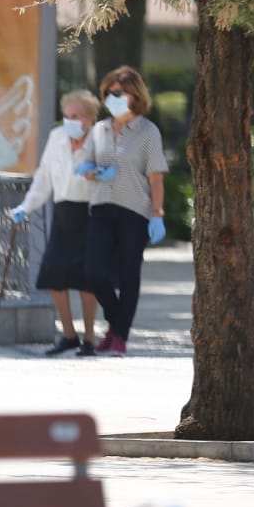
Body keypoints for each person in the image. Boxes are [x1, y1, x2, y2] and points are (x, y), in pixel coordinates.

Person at [75, 67, 168, 356]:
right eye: (108, 93)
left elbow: (155, 176)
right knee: (93, 272)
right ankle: (117, 322)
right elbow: (85, 164)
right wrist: (93, 173)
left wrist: (156, 214)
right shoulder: (100, 130)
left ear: (134, 95)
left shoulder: (147, 131)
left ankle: (119, 337)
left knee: (129, 275)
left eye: (118, 93)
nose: (112, 98)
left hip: (134, 210)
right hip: (102, 206)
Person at [10, 90, 100, 357]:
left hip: (92, 214)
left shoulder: (101, 139)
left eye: (76, 116)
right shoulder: (57, 137)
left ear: (90, 118)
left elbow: (113, 176)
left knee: (88, 282)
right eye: (66, 115)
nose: (70, 120)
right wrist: (25, 207)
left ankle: (90, 338)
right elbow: (44, 177)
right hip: (64, 214)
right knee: (54, 276)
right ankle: (69, 335)